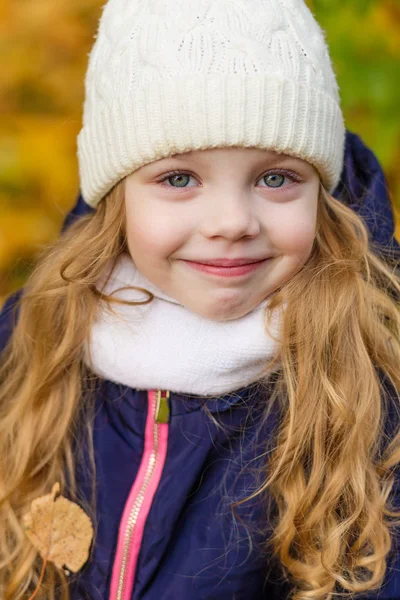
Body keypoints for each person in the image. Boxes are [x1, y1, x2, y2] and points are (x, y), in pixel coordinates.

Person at [1, 0, 400, 598]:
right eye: (180, 179)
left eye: (275, 178)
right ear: (118, 197)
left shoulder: (372, 374)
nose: (232, 222)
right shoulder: (34, 339)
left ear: (322, 190)